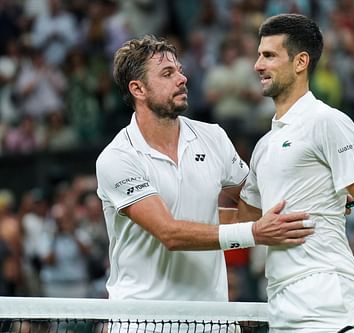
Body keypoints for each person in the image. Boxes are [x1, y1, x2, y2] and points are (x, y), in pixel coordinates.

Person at [95, 35, 314, 303]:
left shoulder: (213, 137)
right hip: (143, 318)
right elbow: (169, 233)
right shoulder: (118, 158)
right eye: (167, 73)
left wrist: (317, 192)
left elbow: (258, 200)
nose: (182, 78)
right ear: (138, 89)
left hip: (210, 316)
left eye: (180, 70)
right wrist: (254, 232)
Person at [235, 14, 354, 332]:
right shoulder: (263, 146)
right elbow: (243, 224)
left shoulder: (327, 121)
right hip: (281, 302)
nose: (258, 65)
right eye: (259, 55)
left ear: (301, 62)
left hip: (329, 296)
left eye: (269, 55)